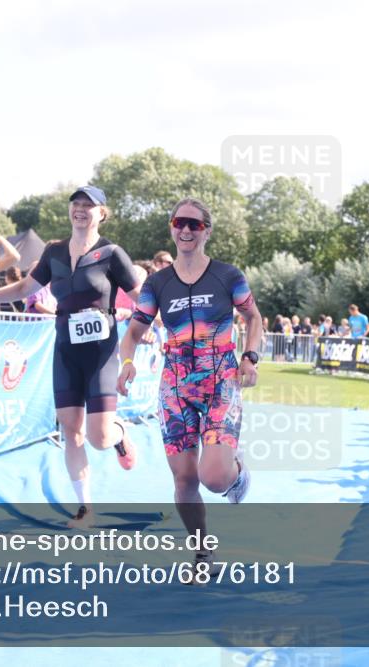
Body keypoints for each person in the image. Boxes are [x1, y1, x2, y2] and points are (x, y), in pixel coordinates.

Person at [0, 185, 144, 528]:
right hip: (65, 349)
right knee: (70, 430)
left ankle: (120, 434)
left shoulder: (112, 253)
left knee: (99, 437)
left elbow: (141, 297)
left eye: (89, 205)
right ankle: (86, 509)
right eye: (76, 203)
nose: (81, 209)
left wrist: (163, 319)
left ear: (102, 213)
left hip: (101, 354)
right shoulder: (54, 251)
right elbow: (25, 288)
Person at [118, 197, 263, 576]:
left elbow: (253, 316)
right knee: (184, 478)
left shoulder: (228, 276)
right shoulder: (156, 283)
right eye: (179, 222)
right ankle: (202, 552)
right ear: (171, 226)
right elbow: (134, 332)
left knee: (213, 477)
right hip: (176, 387)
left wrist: (250, 357)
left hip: (220, 382)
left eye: (194, 224)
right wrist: (127, 364)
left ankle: (237, 474)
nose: (185, 229)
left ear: (206, 232)